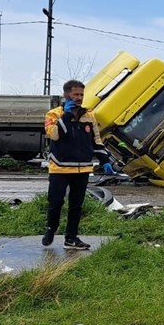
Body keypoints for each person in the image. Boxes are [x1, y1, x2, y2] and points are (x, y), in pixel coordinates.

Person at [42, 79, 114, 250]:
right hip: (60, 167)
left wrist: (105, 160)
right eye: (76, 94)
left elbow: (96, 140)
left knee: (76, 205)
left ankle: (71, 238)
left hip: (83, 167)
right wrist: (66, 116)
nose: (80, 97)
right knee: (56, 202)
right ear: (67, 95)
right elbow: (54, 135)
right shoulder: (53, 114)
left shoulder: (89, 116)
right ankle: (50, 230)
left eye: (82, 94)